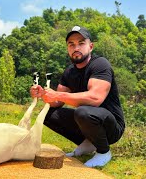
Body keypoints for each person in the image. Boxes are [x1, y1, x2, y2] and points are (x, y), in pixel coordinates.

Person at [30, 26, 125, 167]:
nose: (76, 48)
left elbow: (95, 98)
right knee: (47, 113)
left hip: (112, 126)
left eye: (81, 43)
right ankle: (87, 145)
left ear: (90, 46)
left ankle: (104, 152)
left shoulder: (100, 64)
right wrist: (43, 94)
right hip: (88, 118)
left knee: (83, 112)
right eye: (71, 44)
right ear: (68, 48)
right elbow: (56, 102)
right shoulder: (69, 71)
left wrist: (58, 94)